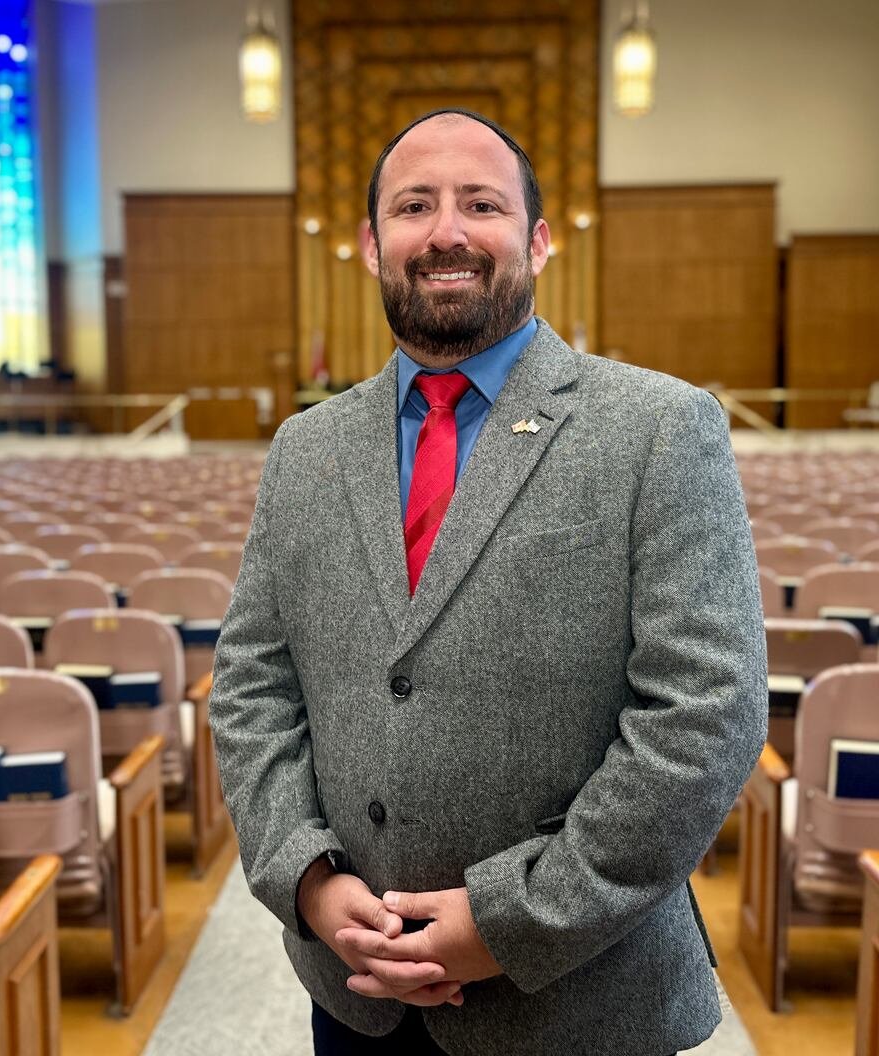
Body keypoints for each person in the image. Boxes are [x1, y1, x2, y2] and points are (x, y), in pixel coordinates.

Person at [209, 108, 767, 1056]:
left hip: (581, 1005)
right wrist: (306, 878)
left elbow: (705, 715)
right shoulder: (306, 450)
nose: (447, 232)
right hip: (360, 995)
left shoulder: (659, 428)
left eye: (482, 203)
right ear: (370, 244)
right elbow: (251, 687)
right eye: (414, 205)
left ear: (538, 241)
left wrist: (510, 921)